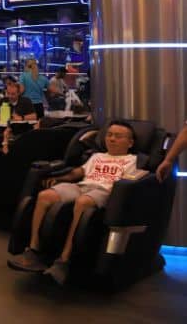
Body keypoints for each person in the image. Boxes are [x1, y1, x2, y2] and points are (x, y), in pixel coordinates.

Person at [9, 121, 138, 285]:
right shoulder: (97, 156)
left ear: (130, 142)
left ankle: (65, 259)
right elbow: (78, 172)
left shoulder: (132, 160)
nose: (112, 139)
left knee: (82, 202)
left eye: (118, 136)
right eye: (109, 135)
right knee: (45, 196)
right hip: (82, 186)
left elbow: (130, 182)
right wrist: (59, 178)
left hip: (105, 191)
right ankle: (34, 250)